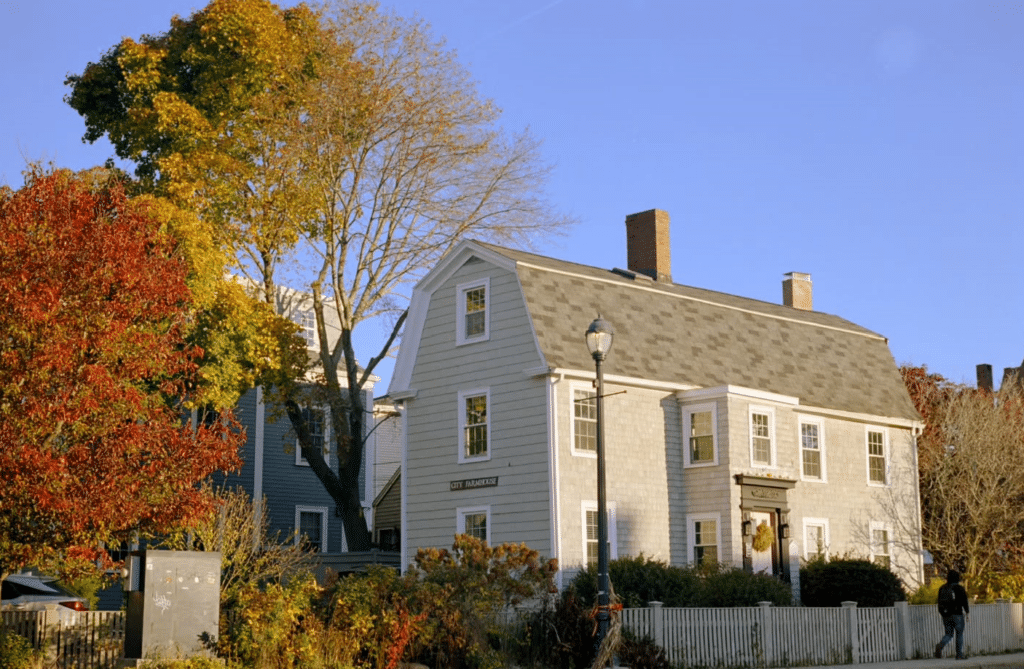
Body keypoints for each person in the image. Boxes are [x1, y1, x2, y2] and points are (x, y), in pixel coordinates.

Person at [934, 569, 970, 660]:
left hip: (946, 615)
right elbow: (964, 601)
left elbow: (939, 602)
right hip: (957, 614)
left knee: (949, 634)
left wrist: (942, 613)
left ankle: (940, 645)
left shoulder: (942, 588)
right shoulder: (959, 588)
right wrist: (967, 612)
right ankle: (959, 655)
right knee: (959, 634)